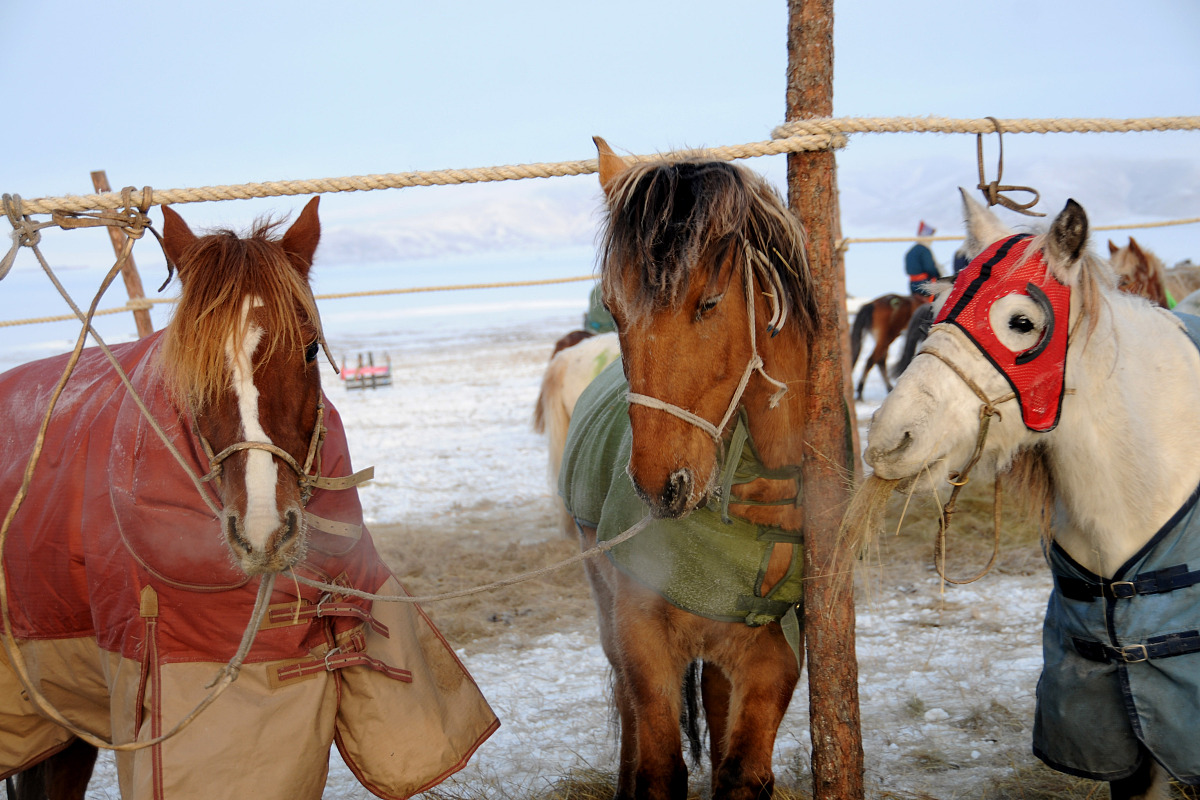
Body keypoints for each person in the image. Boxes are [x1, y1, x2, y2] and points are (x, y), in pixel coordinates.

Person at [905, 221, 941, 298]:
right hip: (924, 284)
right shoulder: (924, 250)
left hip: (912, 284)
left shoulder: (910, 251)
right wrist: (938, 275)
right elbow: (929, 267)